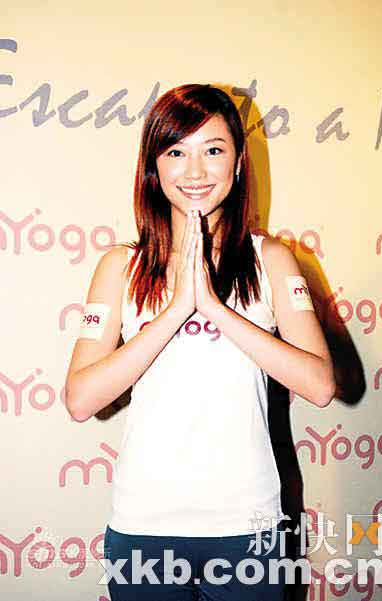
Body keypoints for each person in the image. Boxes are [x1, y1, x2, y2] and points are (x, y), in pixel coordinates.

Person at [65, 83, 336, 600]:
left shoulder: (271, 260)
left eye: (213, 150)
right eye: (175, 152)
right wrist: (175, 311)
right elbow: (81, 400)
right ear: (153, 167)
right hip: (145, 526)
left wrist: (214, 308)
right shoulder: (120, 267)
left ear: (237, 163)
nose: (195, 171)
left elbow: (320, 385)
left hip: (248, 526)